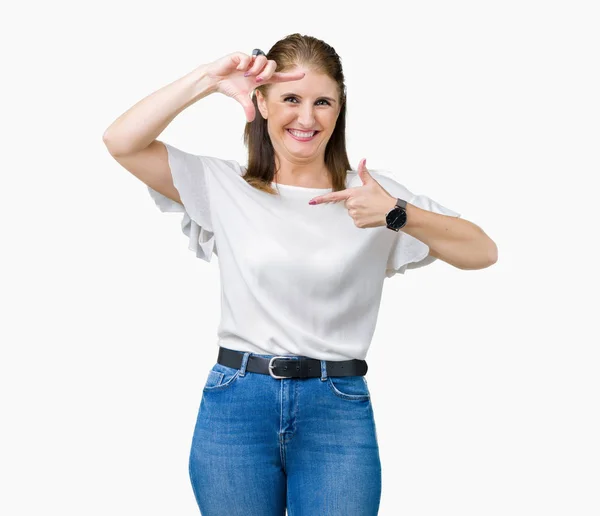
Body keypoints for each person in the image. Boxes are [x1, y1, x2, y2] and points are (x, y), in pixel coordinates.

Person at [103, 33, 497, 516]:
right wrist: (208, 78)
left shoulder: (372, 196)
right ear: (261, 102)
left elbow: (483, 251)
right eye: (291, 98)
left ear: (339, 109)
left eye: (322, 102)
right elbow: (120, 141)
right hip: (237, 405)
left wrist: (397, 213)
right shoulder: (222, 186)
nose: (307, 118)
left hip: (336, 406)